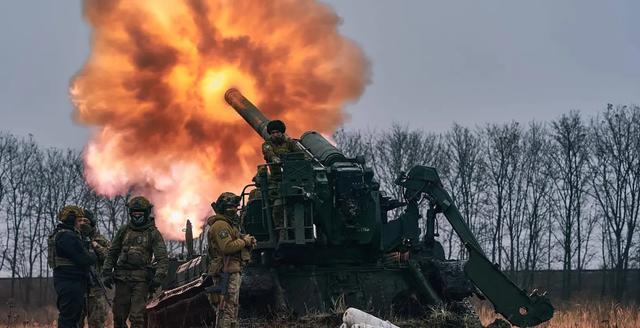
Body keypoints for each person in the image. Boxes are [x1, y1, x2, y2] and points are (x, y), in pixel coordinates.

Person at [101, 196, 169, 328]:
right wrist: (107, 271)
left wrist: (158, 278)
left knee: (137, 318)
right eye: (134, 213)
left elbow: (162, 258)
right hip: (122, 279)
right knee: (119, 317)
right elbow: (112, 252)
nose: (137, 216)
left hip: (141, 281)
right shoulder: (124, 230)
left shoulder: (152, 233)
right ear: (130, 213)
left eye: (140, 213)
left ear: (146, 213)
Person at [207, 192, 256, 328]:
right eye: (230, 207)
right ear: (223, 208)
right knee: (226, 309)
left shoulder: (229, 225)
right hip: (225, 271)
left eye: (235, 206)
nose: (234, 209)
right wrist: (244, 241)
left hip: (232, 269)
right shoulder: (220, 225)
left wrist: (247, 240)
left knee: (231, 308)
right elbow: (227, 247)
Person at [47, 205, 97, 328]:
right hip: (70, 283)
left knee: (70, 317)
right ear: (72, 220)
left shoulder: (61, 234)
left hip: (67, 281)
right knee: (69, 318)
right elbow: (84, 259)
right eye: (79, 220)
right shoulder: (67, 236)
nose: (81, 223)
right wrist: (94, 254)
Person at [261, 119, 297, 240]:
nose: (275, 134)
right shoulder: (267, 144)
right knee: (278, 207)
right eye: (273, 132)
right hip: (276, 181)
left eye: (277, 132)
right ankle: (281, 232)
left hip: (292, 180)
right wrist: (276, 160)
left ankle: (296, 231)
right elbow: (269, 154)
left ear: (282, 133)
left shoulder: (290, 143)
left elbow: (301, 154)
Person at [80, 209, 111, 328]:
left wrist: (95, 245)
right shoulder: (73, 239)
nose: (83, 223)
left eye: (86, 220)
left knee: (97, 322)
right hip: (78, 288)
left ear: (92, 223)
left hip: (96, 289)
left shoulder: (100, 239)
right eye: (80, 220)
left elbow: (109, 257)